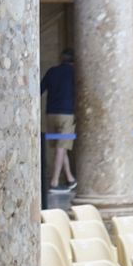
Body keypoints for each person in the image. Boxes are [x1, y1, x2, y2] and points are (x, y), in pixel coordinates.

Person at [40, 49, 76, 191]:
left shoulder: (51, 71)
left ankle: (70, 179)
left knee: (61, 148)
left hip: (50, 114)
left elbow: (39, 90)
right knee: (61, 148)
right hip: (67, 114)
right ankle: (54, 183)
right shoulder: (74, 73)